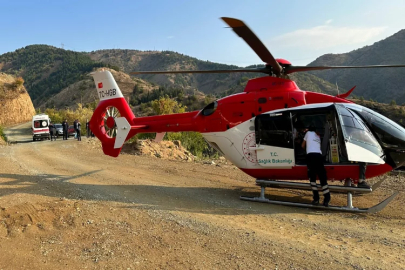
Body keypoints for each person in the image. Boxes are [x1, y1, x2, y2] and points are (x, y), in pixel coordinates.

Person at [302, 126, 331, 207]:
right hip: (319, 156)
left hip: (311, 156)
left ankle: (316, 199)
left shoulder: (308, 133)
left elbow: (302, 146)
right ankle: (327, 199)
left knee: (312, 178)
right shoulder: (318, 136)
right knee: (322, 178)